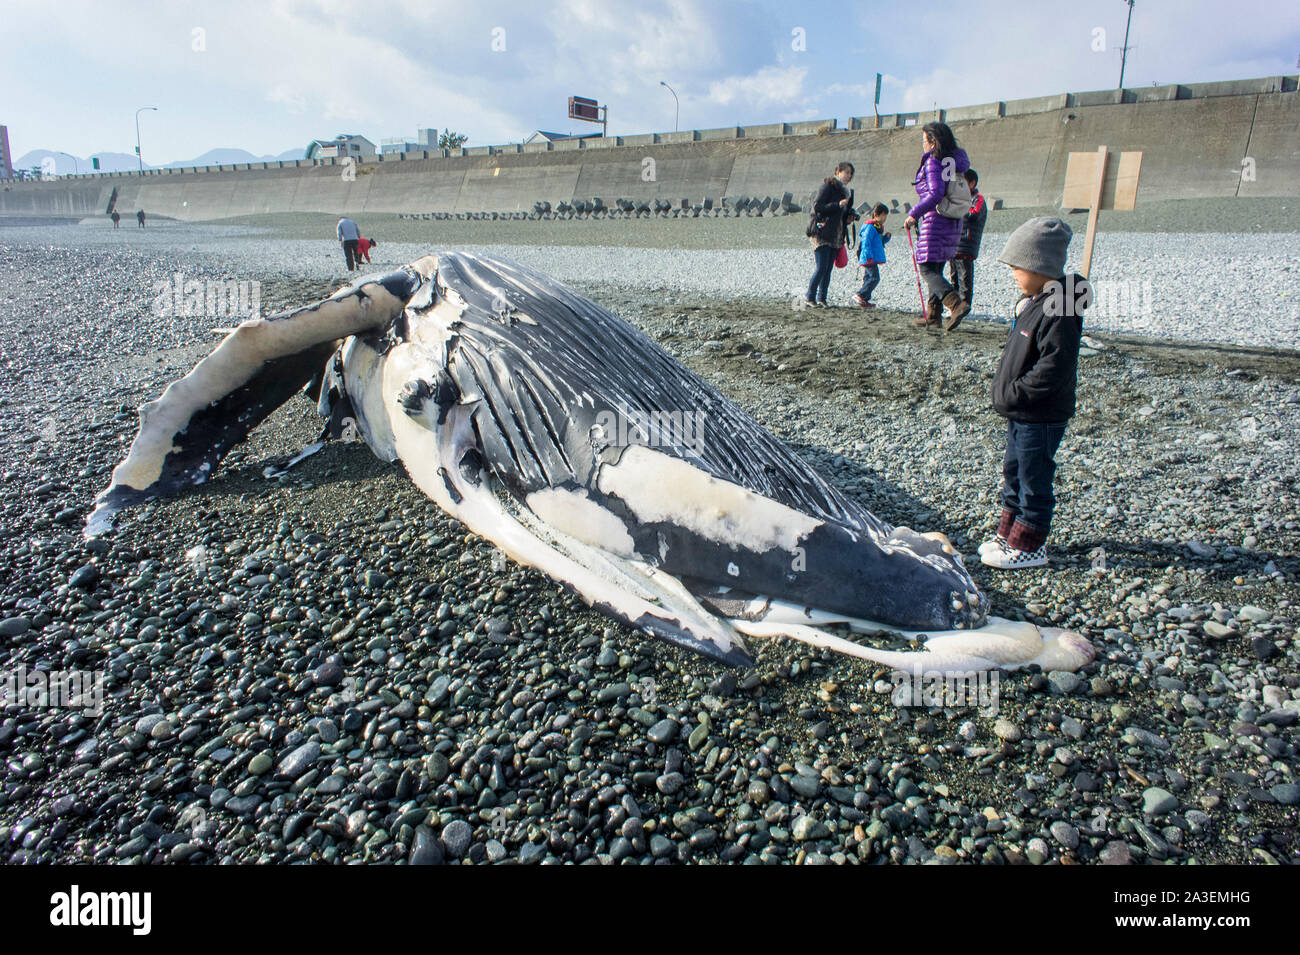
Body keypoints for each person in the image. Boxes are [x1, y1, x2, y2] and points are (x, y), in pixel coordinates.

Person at [979, 217, 1090, 570]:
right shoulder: (1034, 301)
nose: (1012, 272)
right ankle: (1009, 533)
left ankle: (1030, 545)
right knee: (1014, 470)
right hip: (1022, 410)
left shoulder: (1060, 309)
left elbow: (1054, 368)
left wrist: (1016, 393)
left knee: (1033, 476)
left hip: (1040, 413)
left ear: (1039, 266)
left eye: (1017, 266)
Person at [903, 122, 970, 329]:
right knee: (936, 267)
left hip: (936, 220)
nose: (922, 145)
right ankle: (933, 316)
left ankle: (955, 304)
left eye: (924, 140)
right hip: (953, 220)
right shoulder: (955, 161)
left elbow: (935, 194)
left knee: (925, 268)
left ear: (933, 142)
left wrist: (913, 214)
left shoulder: (934, 162)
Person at [805, 162, 856, 308]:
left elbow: (841, 215)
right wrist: (837, 205)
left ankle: (822, 298)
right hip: (821, 232)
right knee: (821, 267)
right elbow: (818, 207)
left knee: (828, 268)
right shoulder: (827, 186)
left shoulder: (847, 192)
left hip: (835, 234)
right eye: (846, 172)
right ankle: (810, 296)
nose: (849, 176)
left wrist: (849, 216)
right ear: (838, 172)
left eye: (850, 173)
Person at [947, 169, 986, 316]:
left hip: (966, 244)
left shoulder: (978, 198)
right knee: (954, 277)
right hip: (953, 244)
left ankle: (964, 307)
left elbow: (974, 215)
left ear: (972, 183)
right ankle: (955, 307)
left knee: (965, 277)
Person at [852, 204, 891, 308]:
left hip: (871, 257)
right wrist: (868, 256)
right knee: (874, 278)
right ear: (875, 214)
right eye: (883, 215)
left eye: (885, 216)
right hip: (868, 257)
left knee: (868, 277)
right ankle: (860, 294)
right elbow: (866, 242)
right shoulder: (870, 227)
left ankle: (864, 300)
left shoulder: (877, 227)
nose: (884, 218)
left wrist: (886, 238)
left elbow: (879, 241)